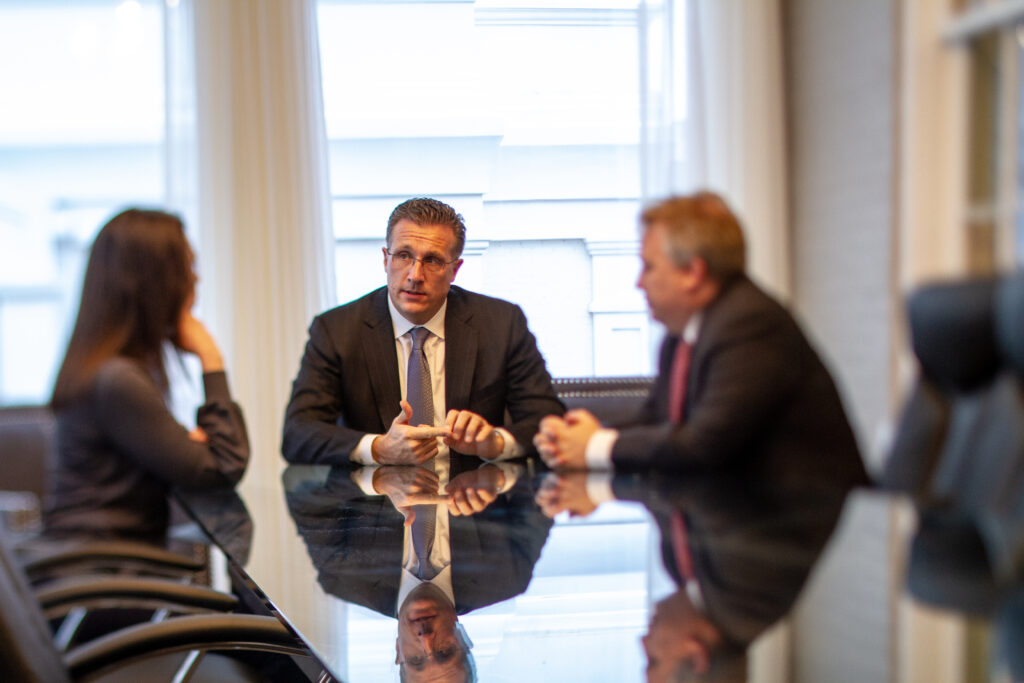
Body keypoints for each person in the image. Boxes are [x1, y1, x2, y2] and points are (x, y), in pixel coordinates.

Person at [535, 191, 864, 479]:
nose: (639, 282)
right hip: (735, 519)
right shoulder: (681, 334)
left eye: (649, 267)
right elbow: (655, 419)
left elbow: (704, 445)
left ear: (693, 272)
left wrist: (596, 446)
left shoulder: (750, 324)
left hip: (802, 527)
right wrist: (572, 441)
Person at [282, 197, 563, 467]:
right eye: (404, 255)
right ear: (385, 259)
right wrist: (378, 448)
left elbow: (549, 422)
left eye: (432, 260)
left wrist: (496, 442)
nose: (415, 275)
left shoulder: (502, 324)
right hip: (373, 507)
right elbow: (297, 434)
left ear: (454, 270)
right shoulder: (337, 330)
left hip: (473, 504)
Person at [44, 209, 249, 542]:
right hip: (110, 574)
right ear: (154, 280)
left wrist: (187, 449)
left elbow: (202, 461)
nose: (195, 279)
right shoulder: (118, 381)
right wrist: (211, 359)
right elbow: (223, 467)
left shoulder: (107, 371)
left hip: (99, 565)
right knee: (243, 595)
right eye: (188, 266)